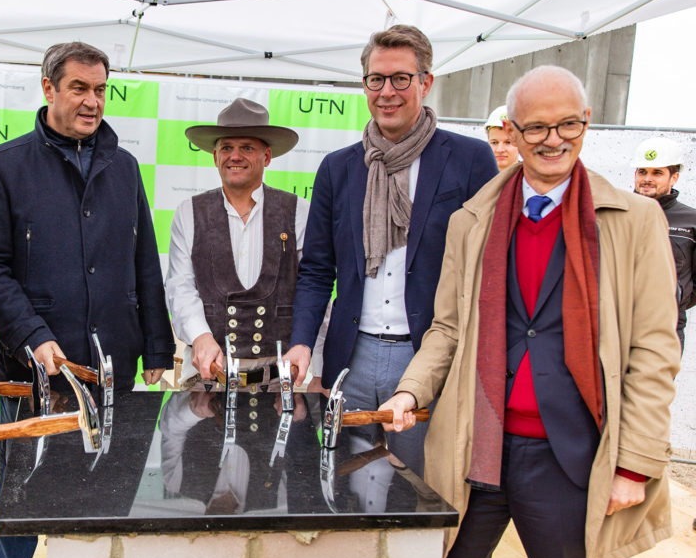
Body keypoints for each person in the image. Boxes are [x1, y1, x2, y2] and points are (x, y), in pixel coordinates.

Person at [381, 65, 679, 558]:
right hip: (477, 447)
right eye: (537, 126)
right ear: (511, 133)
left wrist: (634, 463)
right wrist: (411, 392)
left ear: (586, 124)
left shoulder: (636, 222)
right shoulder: (473, 220)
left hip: (568, 454)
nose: (553, 139)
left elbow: (654, 350)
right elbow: (448, 328)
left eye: (568, 123)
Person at [0, 41, 175, 558]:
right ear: (49, 88)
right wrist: (32, 334)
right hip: (38, 372)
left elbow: (145, 263)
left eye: (101, 89)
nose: (91, 101)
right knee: (22, 492)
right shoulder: (3, 166)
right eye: (79, 87)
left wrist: (158, 347)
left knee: (109, 492)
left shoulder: (125, 166)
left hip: (117, 367)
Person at [284, 24, 497, 475]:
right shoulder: (338, 168)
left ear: (425, 82)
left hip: (427, 355)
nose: (387, 92)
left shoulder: (470, 160)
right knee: (343, 480)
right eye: (375, 79)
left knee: (421, 486)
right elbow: (318, 269)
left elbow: (487, 270)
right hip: (351, 355)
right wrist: (303, 341)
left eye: (401, 78)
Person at [165, 97, 320, 389]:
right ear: (215, 156)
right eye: (226, 148)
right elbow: (180, 285)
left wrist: (317, 359)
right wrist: (201, 337)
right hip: (208, 376)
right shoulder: (189, 212)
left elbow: (313, 289)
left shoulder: (299, 211)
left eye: (247, 148)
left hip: (279, 380)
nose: (234, 156)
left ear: (267, 156)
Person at [633, 136, 696, 349]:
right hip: (616, 323)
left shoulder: (691, 221)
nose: (647, 179)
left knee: (656, 383)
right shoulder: (617, 213)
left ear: (674, 177)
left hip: (666, 328)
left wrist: (675, 300)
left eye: (657, 173)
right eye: (642, 171)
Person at [485, 104, 520, 171]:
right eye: (494, 142)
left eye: (508, 142)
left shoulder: (530, 179)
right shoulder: (476, 177)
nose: (500, 150)